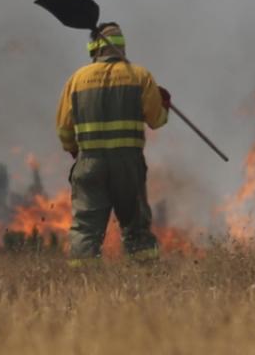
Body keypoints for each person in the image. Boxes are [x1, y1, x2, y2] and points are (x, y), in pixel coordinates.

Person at [55, 22, 170, 266]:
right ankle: (147, 277)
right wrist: (164, 104)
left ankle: (83, 284)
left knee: (86, 228)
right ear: (122, 47)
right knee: (136, 225)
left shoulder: (77, 80)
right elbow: (157, 120)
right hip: (128, 164)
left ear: (94, 49)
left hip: (90, 162)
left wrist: (74, 151)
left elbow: (64, 129)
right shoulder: (140, 76)